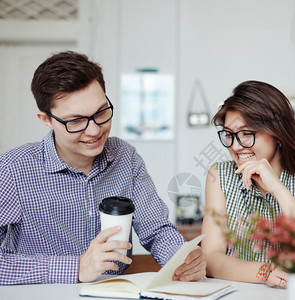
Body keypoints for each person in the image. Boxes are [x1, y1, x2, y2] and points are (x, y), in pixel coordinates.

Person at [0, 51, 206, 285]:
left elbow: (156, 230)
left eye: (101, 112)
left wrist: (183, 258)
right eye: (76, 121)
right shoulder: (12, 170)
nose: (94, 131)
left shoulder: (125, 157)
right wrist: (75, 268)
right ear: (46, 120)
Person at [201, 80, 295, 288]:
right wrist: (266, 272)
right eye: (229, 135)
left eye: (246, 133)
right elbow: (211, 259)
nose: (235, 145)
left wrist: (278, 189)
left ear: (277, 134)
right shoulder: (220, 175)